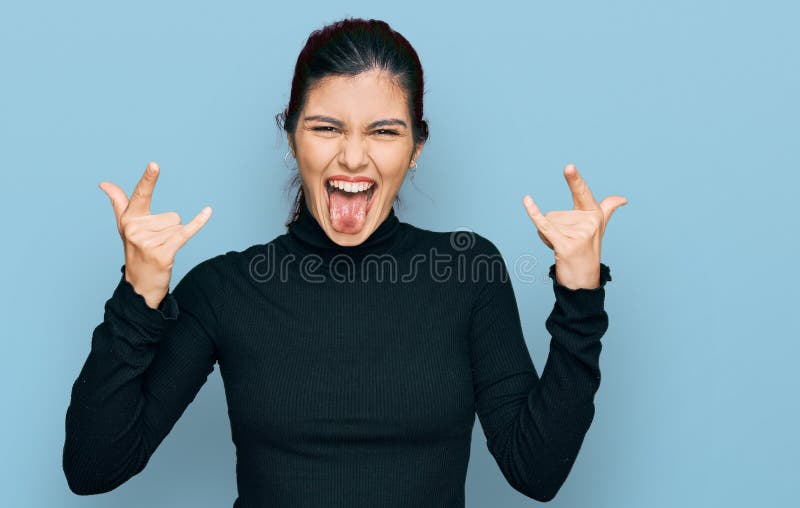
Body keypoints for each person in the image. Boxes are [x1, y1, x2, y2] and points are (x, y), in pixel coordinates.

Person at [62, 17, 627, 507]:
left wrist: (580, 294)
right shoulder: (224, 291)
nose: (353, 156)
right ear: (292, 137)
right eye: (326, 128)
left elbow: (537, 473)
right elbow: (94, 470)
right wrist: (138, 294)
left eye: (384, 131)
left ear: (416, 148)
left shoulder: (467, 274)